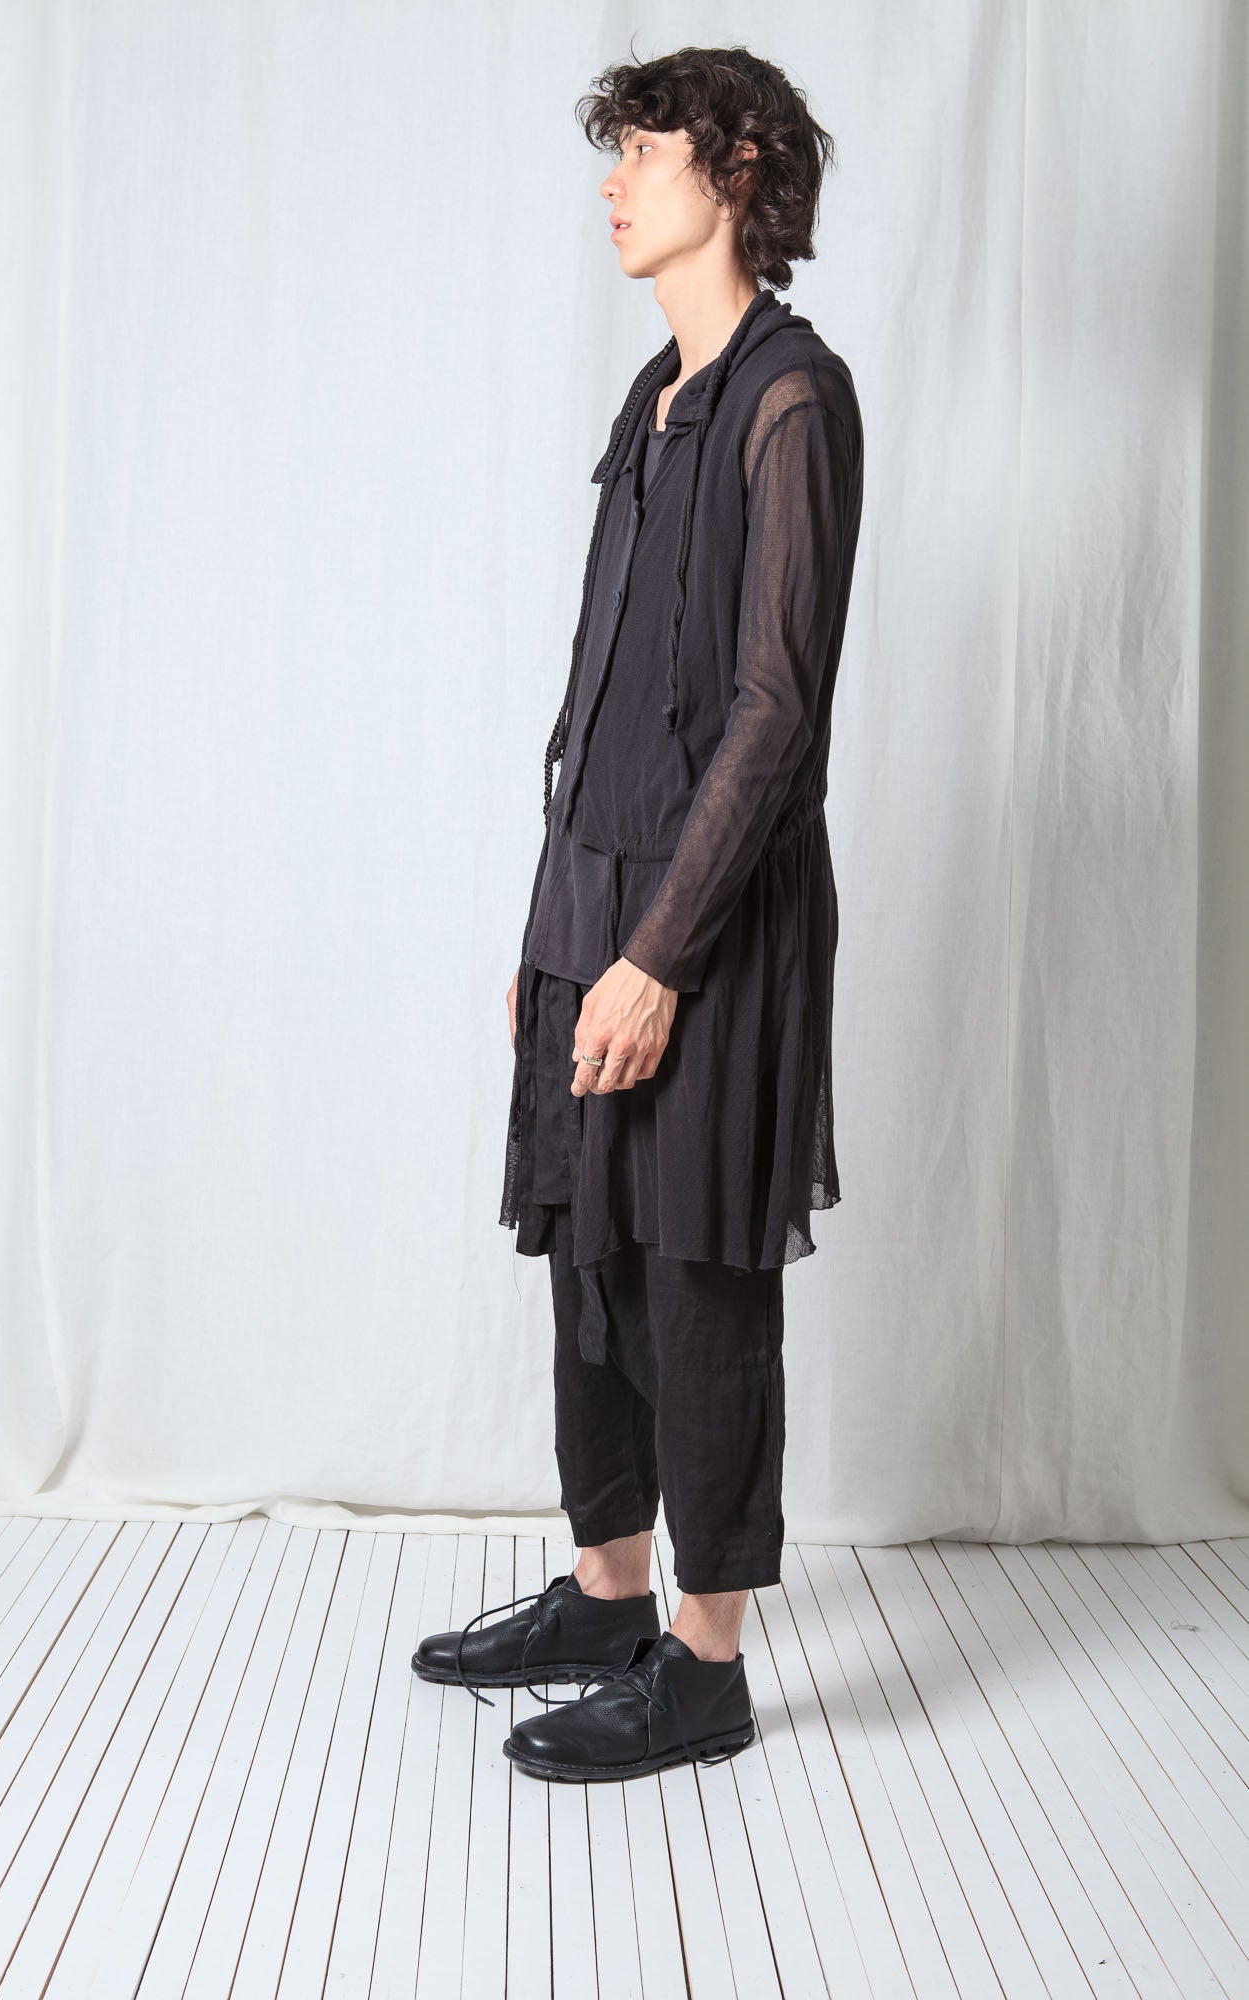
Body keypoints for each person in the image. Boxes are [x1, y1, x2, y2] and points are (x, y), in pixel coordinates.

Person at [413, 44, 864, 1784]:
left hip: (708, 921)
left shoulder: (788, 401)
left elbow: (773, 714)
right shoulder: (654, 399)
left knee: (697, 1273)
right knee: (590, 1265)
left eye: (643, 154)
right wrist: (554, 940)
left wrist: (658, 955)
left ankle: (704, 1664)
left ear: (734, 173)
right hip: (590, 900)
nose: (612, 183)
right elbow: (596, 695)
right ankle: (607, 1597)